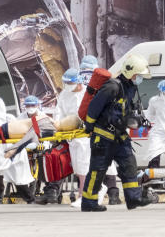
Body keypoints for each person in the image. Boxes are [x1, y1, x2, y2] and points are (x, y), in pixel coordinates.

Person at [79, 54, 152, 212]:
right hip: (103, 136)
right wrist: (90, 126)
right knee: (97, 170)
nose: (140, 79)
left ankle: (133, 198)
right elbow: (94, 108)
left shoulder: (130, 88)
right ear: (133, 75)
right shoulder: (112, 86)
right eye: (139, 76)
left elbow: (124, 109)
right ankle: (89, 202)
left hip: (119, 136)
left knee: (129, 164)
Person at [71, 55, 121, 207]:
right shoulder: (103, 82)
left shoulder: (89, 84)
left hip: (92, 126)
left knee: (96, 161)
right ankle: (110, 193)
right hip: (100, 125)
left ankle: (101, 193)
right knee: (102, 160)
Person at [36, 68, 83, 205]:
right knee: (54, 157)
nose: (67, 85)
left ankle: (110, 192)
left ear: (78, 81)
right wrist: (58, 128)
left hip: (83, 136)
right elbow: (58, 112)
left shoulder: (86, 94)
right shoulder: (64, 94)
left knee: (85, 165)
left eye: (70, 83)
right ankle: (51, 192)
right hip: (65, 133)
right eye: (66, 83)